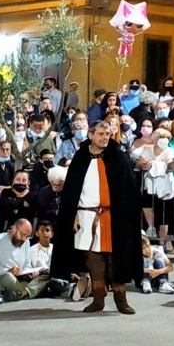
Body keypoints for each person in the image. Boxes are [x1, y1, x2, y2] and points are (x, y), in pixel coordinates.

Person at [51, 121, 143, 314]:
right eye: (100, 134)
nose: (104, 138)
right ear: (91, 135)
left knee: (116, 259)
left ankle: (121, 299)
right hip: (86, 216)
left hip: (113, 217)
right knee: (92, 259)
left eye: (107, 134)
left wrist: (125, 218)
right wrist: (72, 214)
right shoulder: (80, 158)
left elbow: (128, 191)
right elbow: (71, 192)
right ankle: (98, 298)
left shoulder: (118, 157)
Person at [0, 219, 49, 301]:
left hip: (19, 279)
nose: (24, 239)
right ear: (14, 229)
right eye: (22, 235)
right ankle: (29, 291)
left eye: (27, 236)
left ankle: (23, 293)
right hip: (0, 279)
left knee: (47, 272)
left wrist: (31, 273)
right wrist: (8, 271)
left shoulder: (26, 242)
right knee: (8, 277)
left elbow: (27, 266)